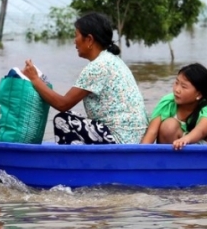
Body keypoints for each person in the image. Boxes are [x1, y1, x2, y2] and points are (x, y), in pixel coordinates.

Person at [22, 12, 148, 144]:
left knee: (63, 120)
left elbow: (63, 104)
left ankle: (76, 163)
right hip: (135, 136)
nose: (74, 41)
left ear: (89, 40)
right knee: (74, 116)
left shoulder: (98, 67)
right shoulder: (112, 60)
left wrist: (35, 79)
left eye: (76, 36)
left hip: (121, 139)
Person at [141, 63, 207, 149]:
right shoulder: (168, 102)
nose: (177, 90)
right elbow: (152, 132)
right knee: (169, 125)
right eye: (176, 83)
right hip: (174, 149)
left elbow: (201, 130)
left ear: (199, 94)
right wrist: (139, 156)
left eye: (184, 86)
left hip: (199, 147)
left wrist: (185, 139)